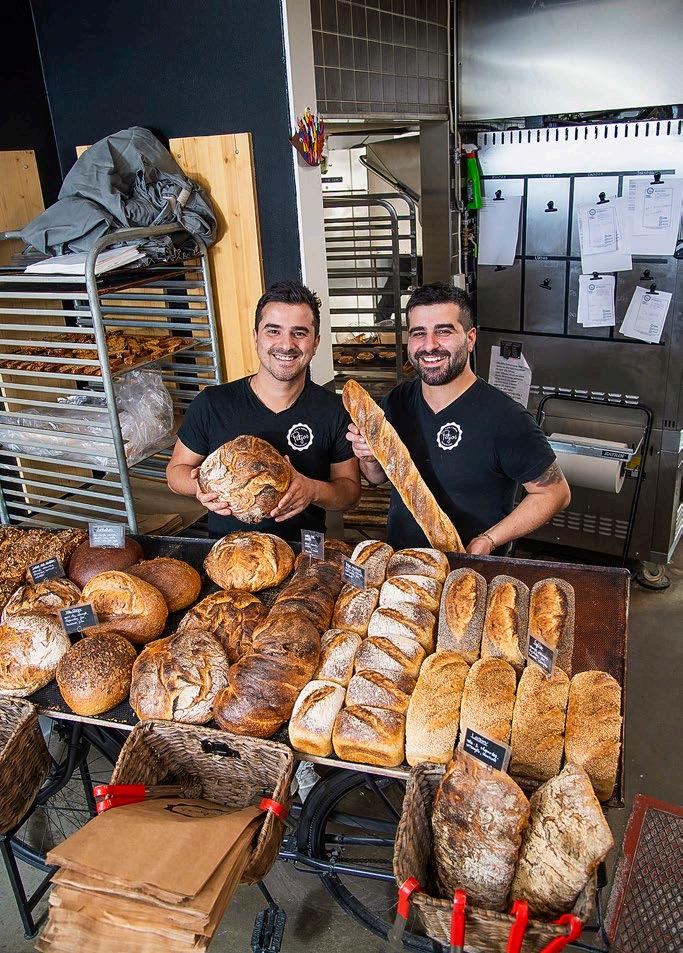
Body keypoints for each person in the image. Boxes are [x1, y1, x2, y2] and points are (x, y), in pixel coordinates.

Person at [347, 283, 570, 555]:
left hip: (469, 566)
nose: (429, 345)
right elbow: (378, 477)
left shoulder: (505, 418)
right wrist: (369, 458)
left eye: (444, 331)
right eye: (419, 333)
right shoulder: (397, 401)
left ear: (470, 338)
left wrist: (489, 540)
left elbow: (554, 493)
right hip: (403, 562)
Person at [167, 280, 361, 539]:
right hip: (229, 550)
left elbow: (350, 494)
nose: (286, 344)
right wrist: (201, 487)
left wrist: (313, 490)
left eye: (299, 333)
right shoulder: (213, 403)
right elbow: (175, 473)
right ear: (256, 336)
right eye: (273, 331)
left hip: (305, 552)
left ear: (315, 343)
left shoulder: (334, 410)